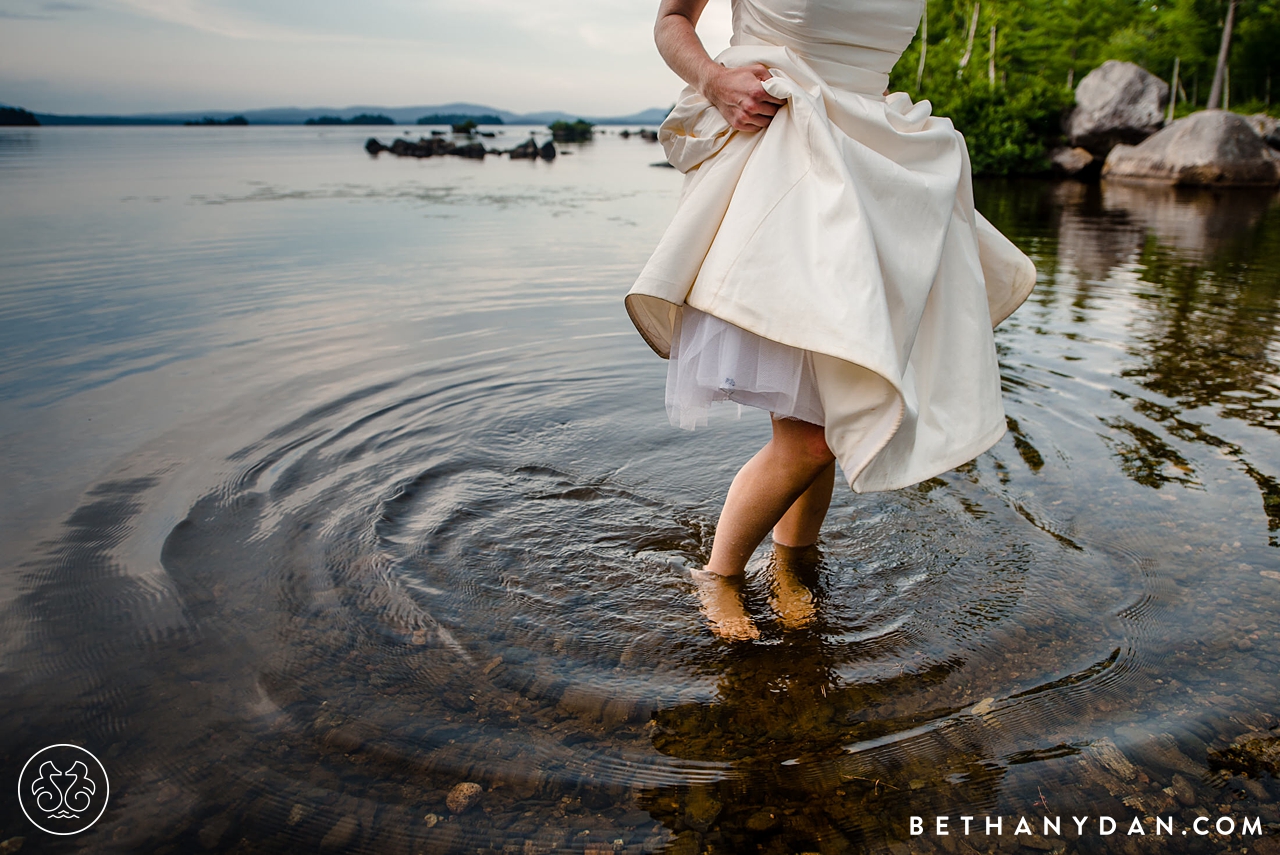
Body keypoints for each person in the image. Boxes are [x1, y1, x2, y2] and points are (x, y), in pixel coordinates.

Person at [626, 0, 1036, 639]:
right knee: (810, 437)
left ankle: (790, 566)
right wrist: (712, 79)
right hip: (783, 158)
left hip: (867, 160)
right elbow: (672, 16)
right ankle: (718, 576)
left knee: (824, 412)